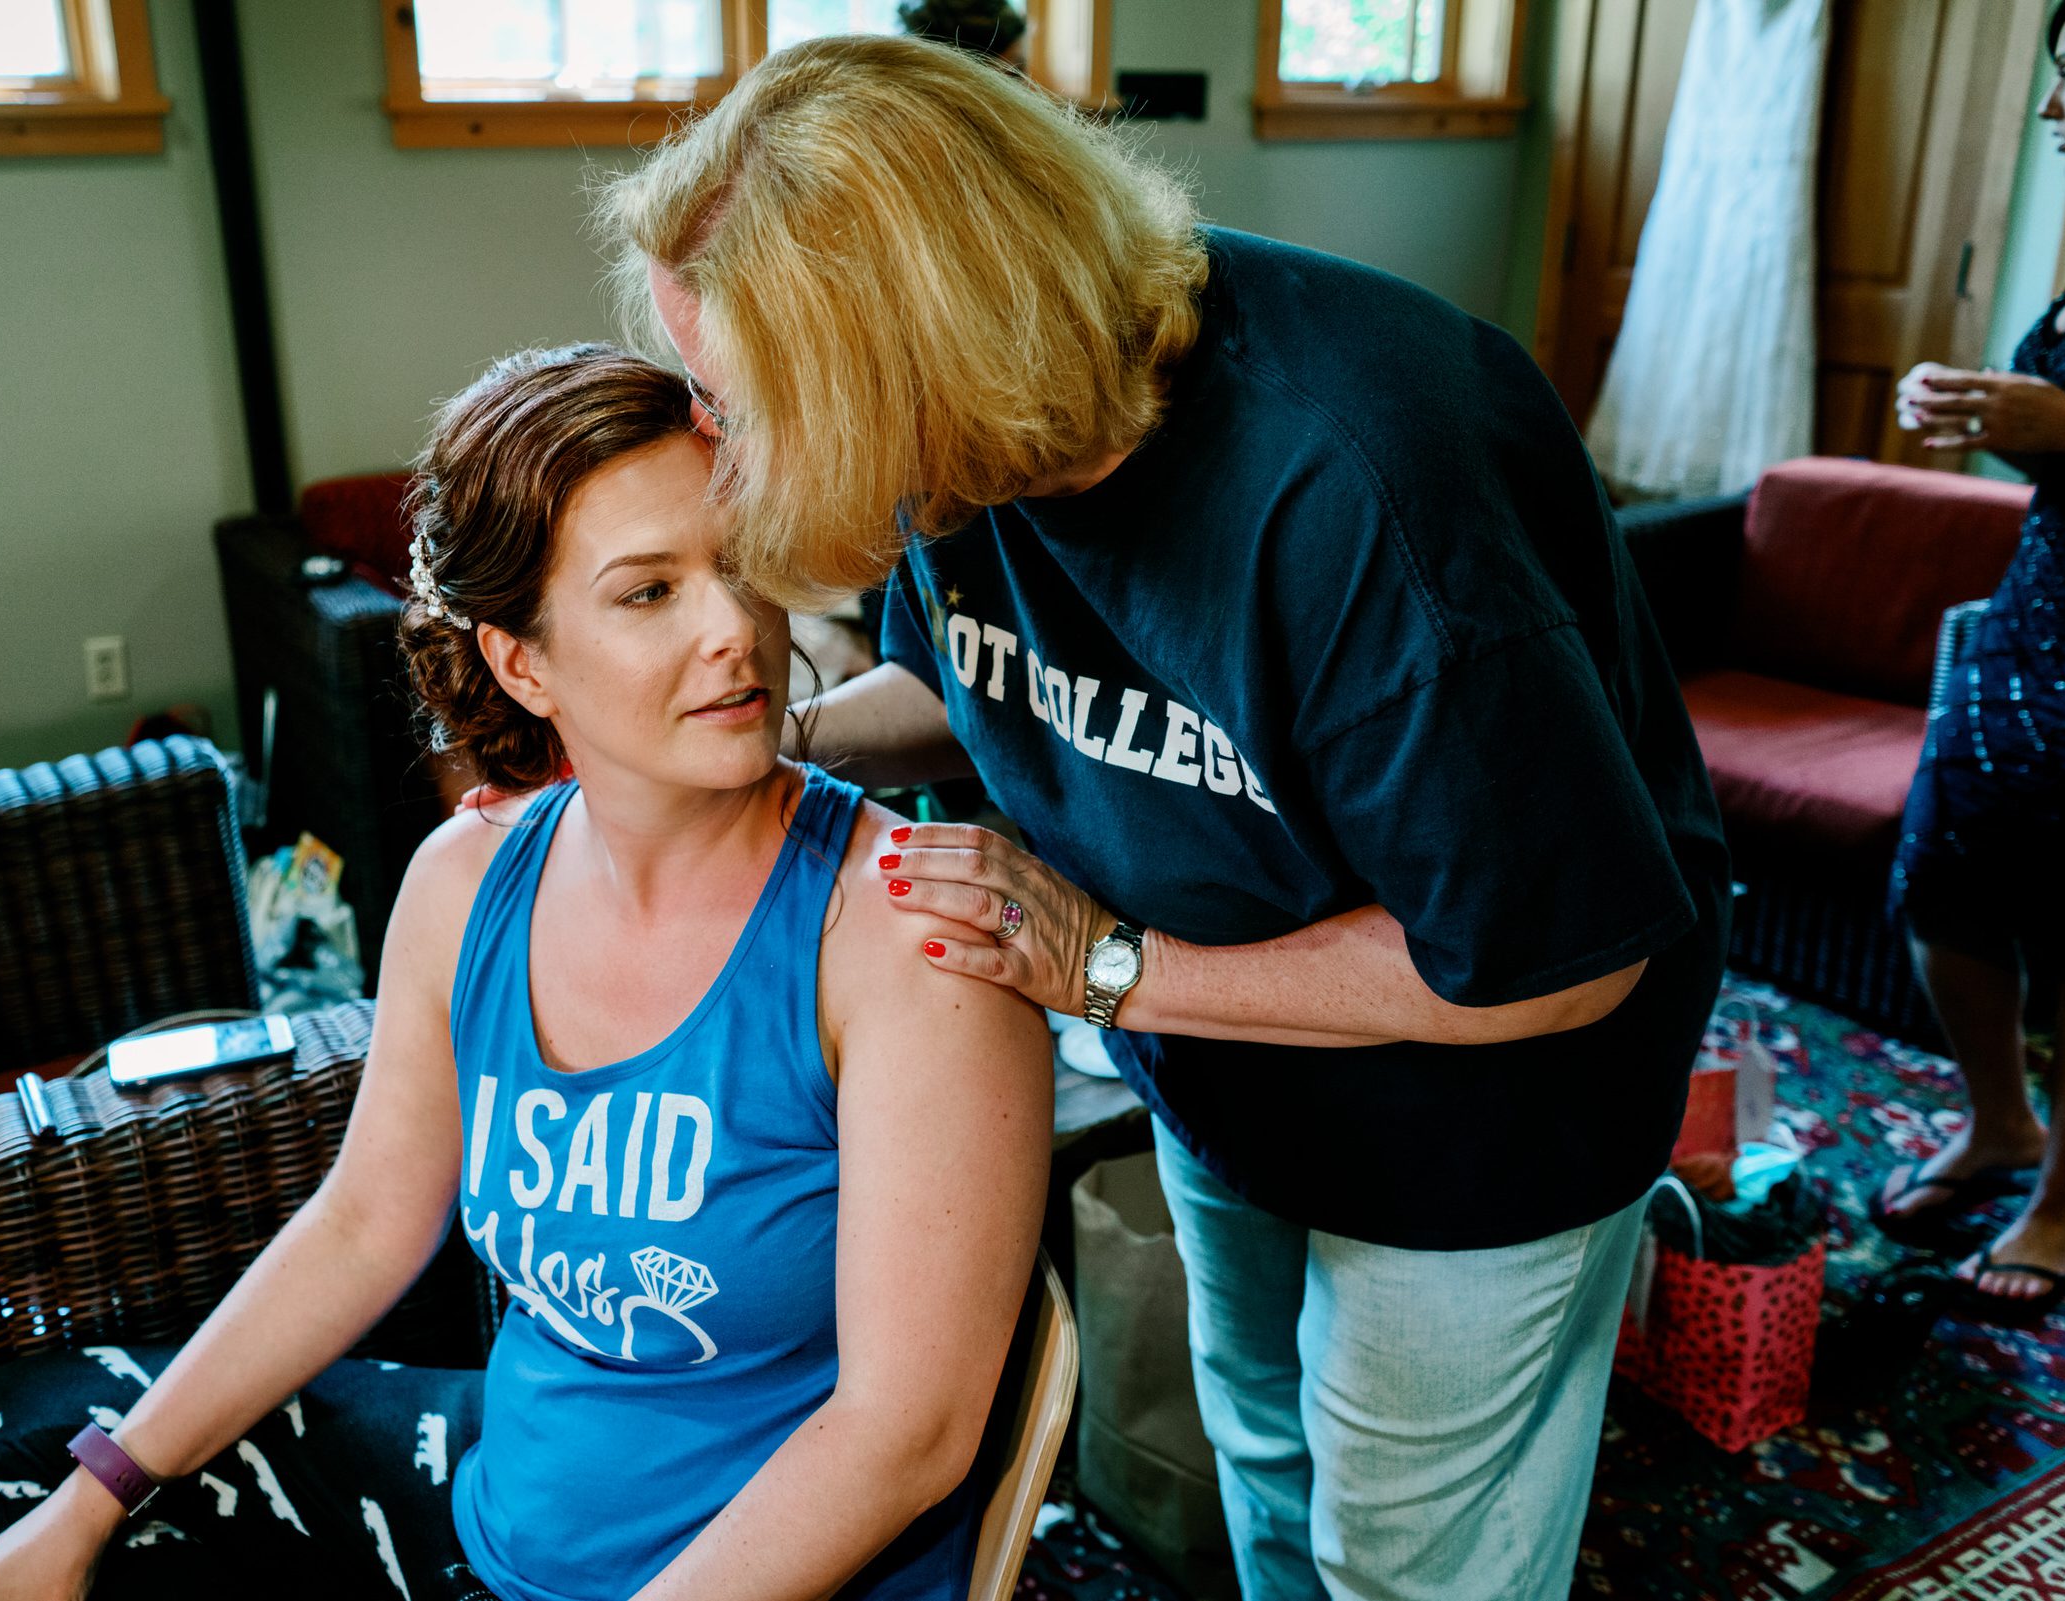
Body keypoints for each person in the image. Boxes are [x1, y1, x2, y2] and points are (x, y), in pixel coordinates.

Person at [600, 35, 1731, 1601]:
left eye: (743, 405)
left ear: (909, 354)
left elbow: (1550, 967)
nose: (730, 460)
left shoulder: (1358, 489)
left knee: (1408, 1553)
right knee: (1262, 1448)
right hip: (1223, 1046)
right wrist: (756, 742)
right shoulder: (971, 440)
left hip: (1486, 1111)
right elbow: (981, 687)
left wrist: (1117, 969)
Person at [0, 344, 1052, 1601]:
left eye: (741, 562)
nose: (734, 628)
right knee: (18, 1446)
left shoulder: (906, 930)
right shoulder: (471, 882)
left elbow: (907, 1437)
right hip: (494, 1517)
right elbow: (363, 1223)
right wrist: (95, 1501)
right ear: (523, 660)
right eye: (649, 593)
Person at [1870, 5, 2065, 1318]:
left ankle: (2063, 1201)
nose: (2054, 113)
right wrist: (1986, 415)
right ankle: (2001, 1121)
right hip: (2033, 626)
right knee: (1942, 887)